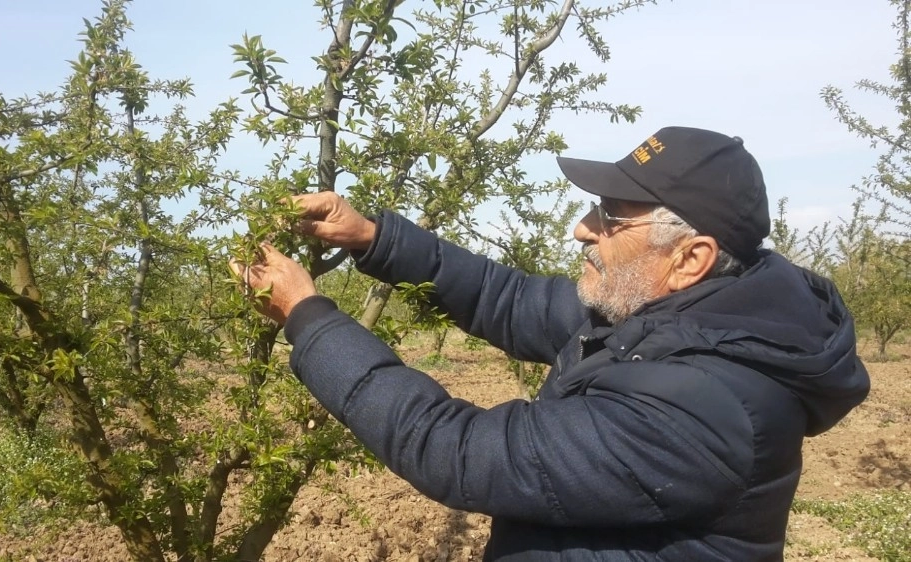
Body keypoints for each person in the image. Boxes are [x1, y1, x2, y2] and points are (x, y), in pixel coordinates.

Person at [230, 126, 870, 561]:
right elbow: (502, 298)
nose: (580, 229)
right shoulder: (667, 314)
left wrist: (306, 316)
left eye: (610, 218)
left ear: (690, 257)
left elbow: (460, 452)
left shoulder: (703, 404)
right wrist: (373, 237)